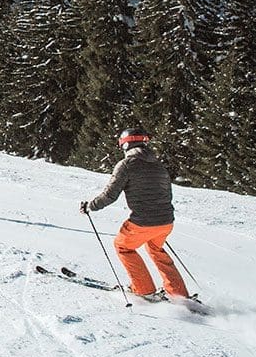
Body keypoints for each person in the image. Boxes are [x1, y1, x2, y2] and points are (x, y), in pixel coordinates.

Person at [80, 128, 189, 301]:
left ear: (125, 145)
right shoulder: (158, 165)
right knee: (155, 249)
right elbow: (166, 193)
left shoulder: (127, 164)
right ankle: (178, 293)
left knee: (123, 246)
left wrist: (90, 206)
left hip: (143, 222)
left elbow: (110, 195)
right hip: (166, 222)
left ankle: (144, 289)